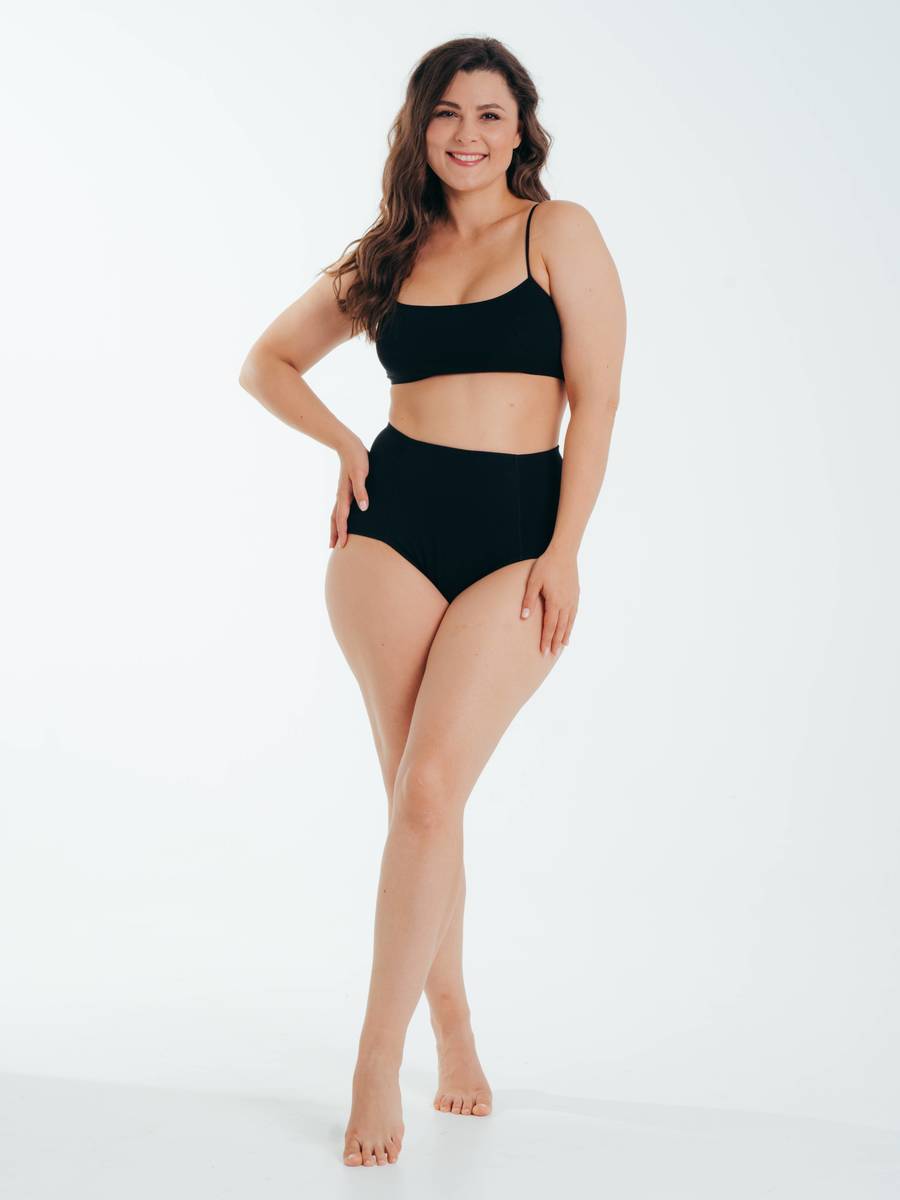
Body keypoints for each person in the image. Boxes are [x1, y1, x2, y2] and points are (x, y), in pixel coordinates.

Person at [239, 35, 626, 1168]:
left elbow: (598, 403)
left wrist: (565, 552)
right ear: (420, 126)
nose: (468, 134)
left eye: (490, 115)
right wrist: (344, 444)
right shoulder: (389, 252)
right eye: (448, 113)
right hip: (392, 531)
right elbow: (267, 362)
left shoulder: (559, 233)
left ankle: (403, 1041)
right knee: (419, 802)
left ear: (522, 130)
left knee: (430, 791)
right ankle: (418, 1038)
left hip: (517, 539)